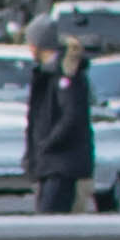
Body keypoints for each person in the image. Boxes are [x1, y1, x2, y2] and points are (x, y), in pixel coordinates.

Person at [25, 36, 97, 216]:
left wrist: (46, 143)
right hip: (54, 165)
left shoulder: (65, 76)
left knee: (52, 222)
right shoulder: (50, 74)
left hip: (62, 167)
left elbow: (70, 117)